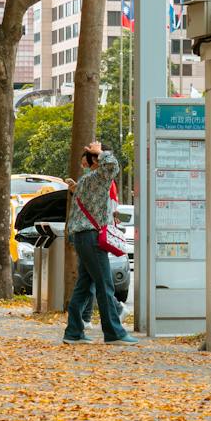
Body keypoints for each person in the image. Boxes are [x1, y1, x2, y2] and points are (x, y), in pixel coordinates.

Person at [64, 141, 134, 344]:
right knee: (105, 285)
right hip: (92, 237)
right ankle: (114, 333)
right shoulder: (98, 178)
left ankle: (74, 332)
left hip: (82, 238)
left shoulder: (85, 181)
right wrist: (100, 152)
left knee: (84, 286)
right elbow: (112, 165)